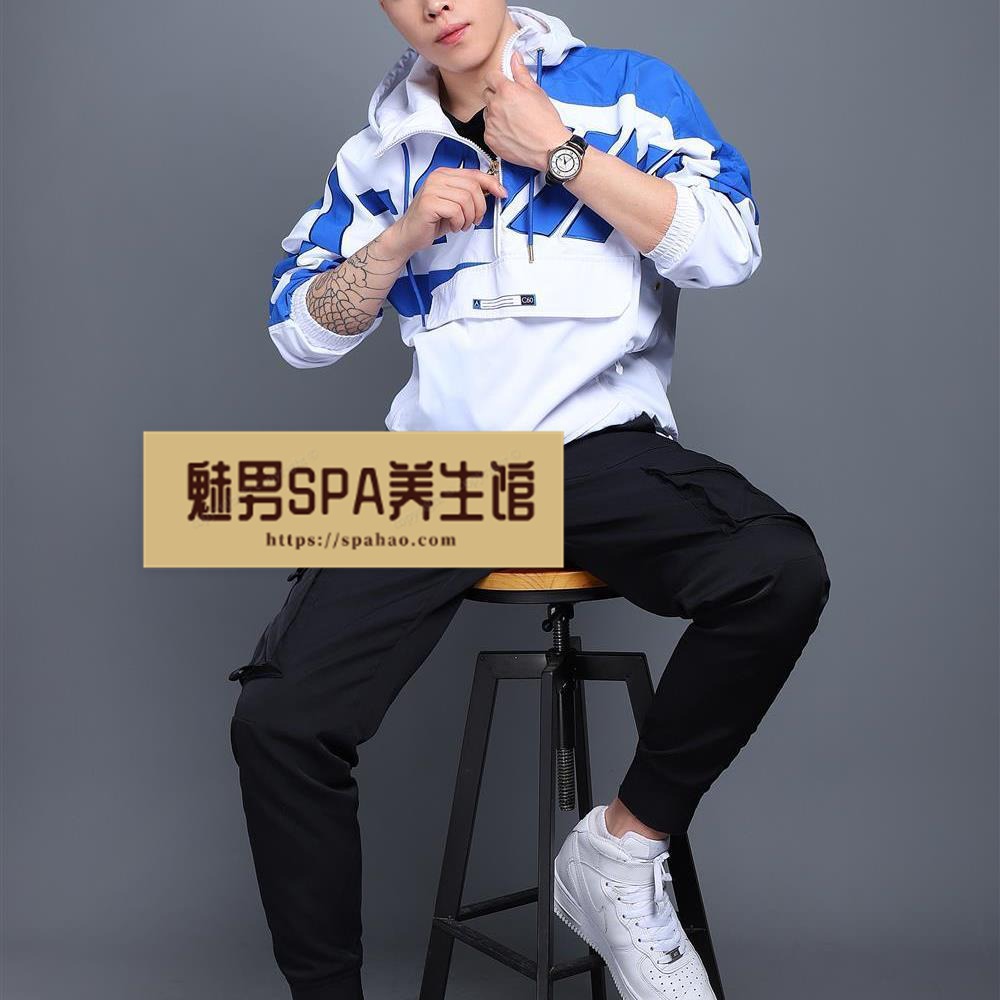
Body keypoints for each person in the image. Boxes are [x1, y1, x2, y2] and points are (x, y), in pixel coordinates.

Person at [231, 4, 832, 999]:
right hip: (444, 477)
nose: (436, 3)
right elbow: (300, 332)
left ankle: (619, 852)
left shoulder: (628, 92)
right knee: (279, 720)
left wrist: (561, 155)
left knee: (776, 570)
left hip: (594, 451)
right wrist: (400, 238)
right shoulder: (378, 154)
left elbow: (727, 247)